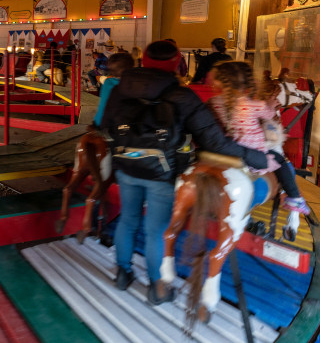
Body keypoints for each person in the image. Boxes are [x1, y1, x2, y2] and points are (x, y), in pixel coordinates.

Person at [100, 40, 272, 305]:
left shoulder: (121, 88)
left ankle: (123, 273)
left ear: (143, 60)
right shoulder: (181, 95)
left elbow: (106, 123)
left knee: (129, 218)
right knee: (157, 228)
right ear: (175, 62)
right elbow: (215, 140)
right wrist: (253, 155)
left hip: (125, 165)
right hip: (163, 172)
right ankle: (158, 287)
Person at [209, 62, 310, 214]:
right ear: (248, 84)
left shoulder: (214, 102)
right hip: (254, 156)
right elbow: (270, 117)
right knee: (280, 161)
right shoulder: (255, 104)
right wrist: (270, 105)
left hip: (227, 151)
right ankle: (294, 197)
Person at [92, 52, 133, 128]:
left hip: (112, 125)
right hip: (131, 124)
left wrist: (96, 124)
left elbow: (103, 105)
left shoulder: (109, 82)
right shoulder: (134, 82)